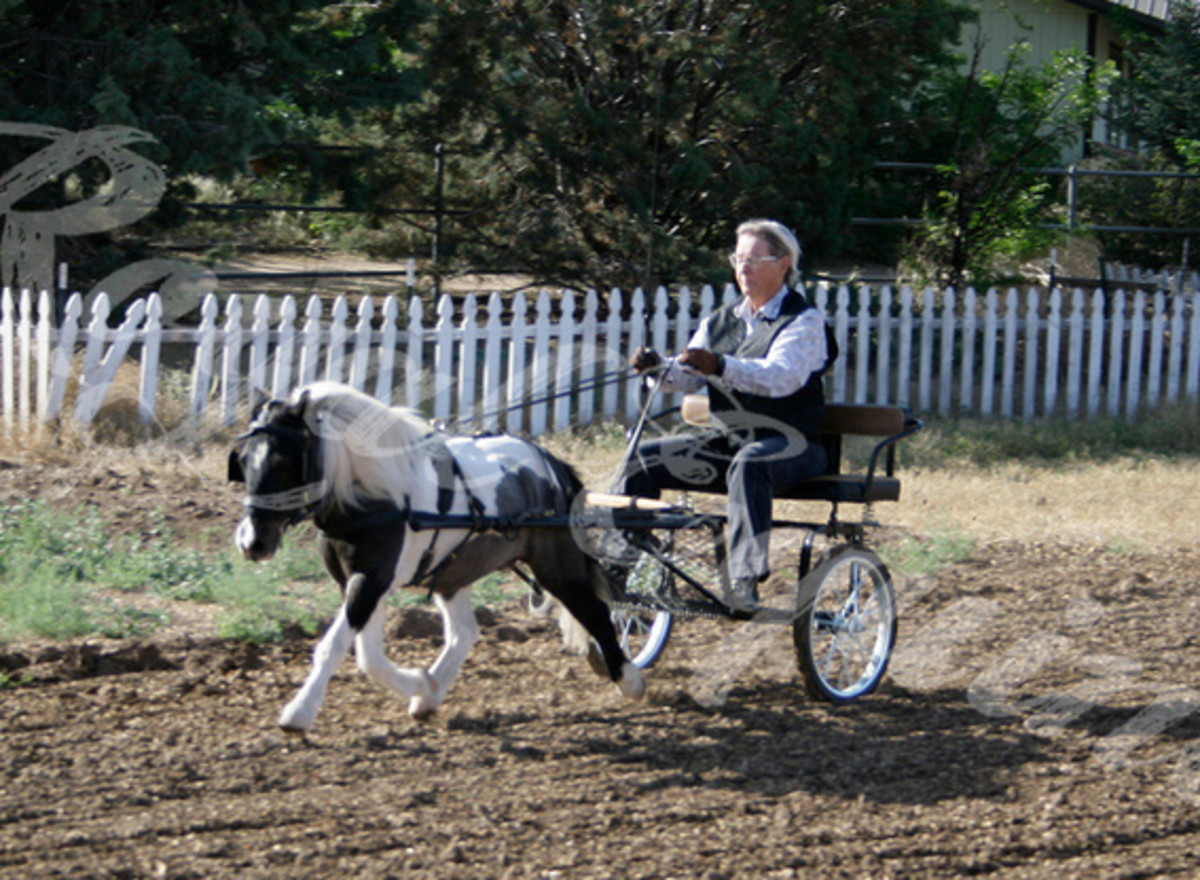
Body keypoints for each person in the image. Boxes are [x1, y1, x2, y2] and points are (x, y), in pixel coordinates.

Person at [623, 219, 836, 611]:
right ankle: (625, 556)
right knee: (644, 458)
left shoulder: (804, 321)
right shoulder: (720, 321)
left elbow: (780, 377)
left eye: (755, 259)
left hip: (792, 446)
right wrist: (656, 369)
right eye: (738, 259)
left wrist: (719, 365)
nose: (743, 268)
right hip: (730, 444)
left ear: (784, 263)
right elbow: (687, 377)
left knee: (749, 462)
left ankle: (745, 577)